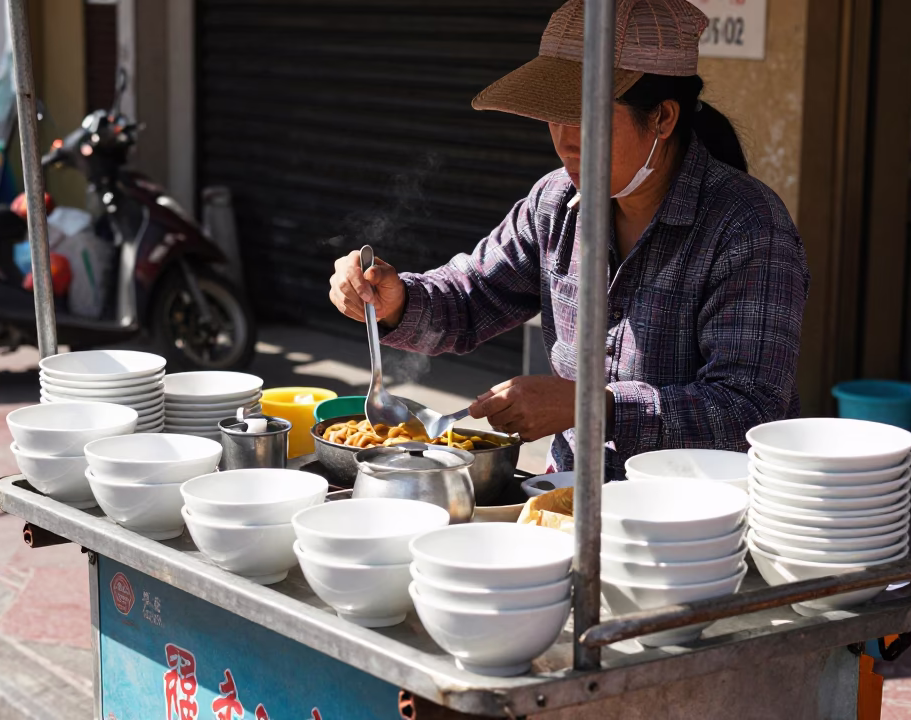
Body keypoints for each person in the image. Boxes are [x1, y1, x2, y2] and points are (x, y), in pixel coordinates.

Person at [327, 0, 809, 480]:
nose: (565, 141)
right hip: (568, 492)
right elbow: (471, 297)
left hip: (698, 516)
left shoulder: (748, 225)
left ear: (662, 118)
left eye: (585, 114)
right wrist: (394, 300)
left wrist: (595, 407)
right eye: (552, 115)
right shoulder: (555, 202)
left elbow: (749, 410)